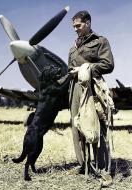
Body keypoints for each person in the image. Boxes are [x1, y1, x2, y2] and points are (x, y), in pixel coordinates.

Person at [68, 10, 114, 185]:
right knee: (76, 127)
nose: (75, 29)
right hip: (74, 90)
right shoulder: (72, 48)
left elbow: (108, 64)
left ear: (87, 23)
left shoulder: (100, 41)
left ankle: (103, 169)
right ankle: (84, 165)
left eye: (78, 25)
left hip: (93, 87)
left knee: (98, 127)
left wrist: (85, 69)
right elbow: (69, 69)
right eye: (73, 26)